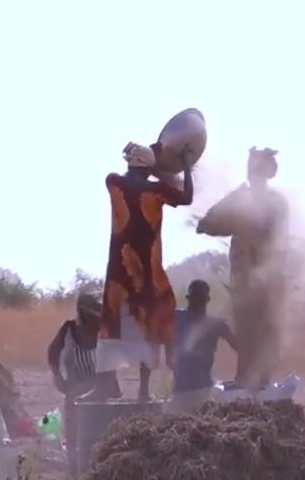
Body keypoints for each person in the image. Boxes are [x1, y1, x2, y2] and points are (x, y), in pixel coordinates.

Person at [97, 140, 195, 400]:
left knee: (111, 322)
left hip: (119, 270)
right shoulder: (156, 191)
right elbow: (186, 197)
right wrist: (185, 165)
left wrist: (151, 160)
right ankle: (143, 389)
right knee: (151, 321)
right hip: (147, 273)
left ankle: (106, 383)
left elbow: (136, 173)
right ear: (148, 167)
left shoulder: (113, 183)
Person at [197, 146, 289, 389]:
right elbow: (207, 224)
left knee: (264, 332)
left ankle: (259, 383)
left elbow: (275, 236)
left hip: (263, 278)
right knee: (248, 332)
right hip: (246, 278)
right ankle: (248, 382)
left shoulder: (273, 202)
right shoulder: (242, 200)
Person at [47, 291, 122, 459]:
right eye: (94, 315)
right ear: (83, 314)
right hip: (74, 394)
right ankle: (75, 475)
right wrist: (57, 376)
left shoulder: (106, 334)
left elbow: (111, 373)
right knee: (75, 442)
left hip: (104, 396)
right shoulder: (69, 330)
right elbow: (52, 353)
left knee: (103, 442)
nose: (98, 320)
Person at [169, 280, 241, 413]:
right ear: (207, 299)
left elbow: (239, 347)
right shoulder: (215, 324)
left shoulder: (176, 317)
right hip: (195, 391)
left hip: (192, 391)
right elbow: (239, 347)